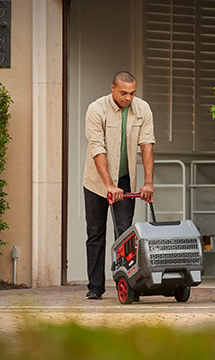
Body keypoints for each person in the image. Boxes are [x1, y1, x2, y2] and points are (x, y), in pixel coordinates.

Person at [83, 71, 155, 299]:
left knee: (124, 234)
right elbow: (97, 148)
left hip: (125, 179)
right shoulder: (96, 109)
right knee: (95, 233)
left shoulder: (143, 109)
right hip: (97, 181)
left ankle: (127, 284)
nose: (128, 98)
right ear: (112, 88)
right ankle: (95, 287)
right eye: (123, 93)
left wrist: (148, 182)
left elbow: (147, 145)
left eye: (132, 93)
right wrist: (108, 186)